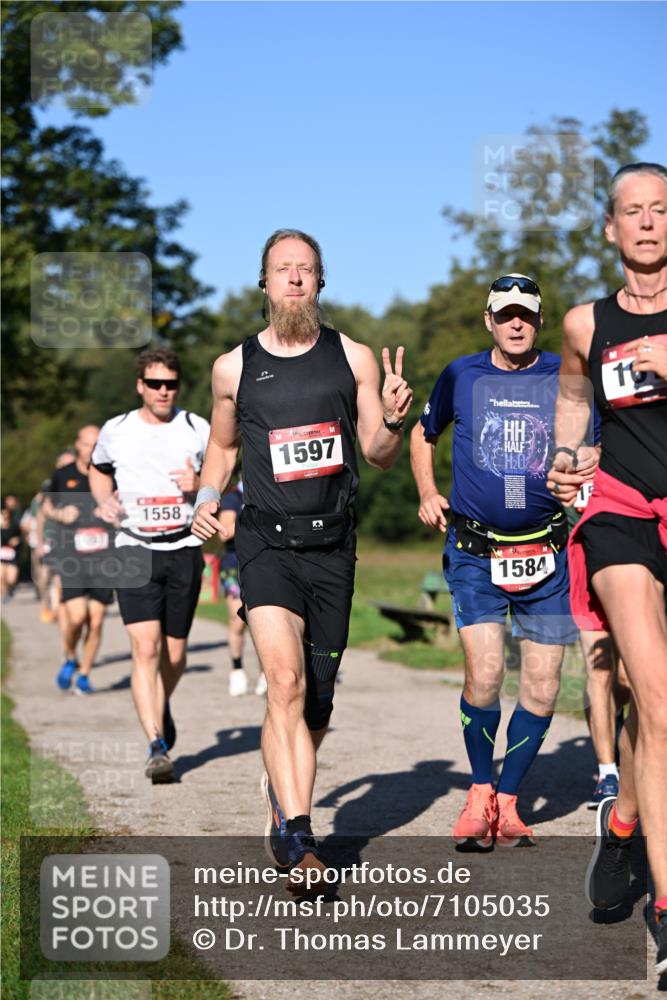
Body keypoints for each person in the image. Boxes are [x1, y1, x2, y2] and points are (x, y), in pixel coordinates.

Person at [192, 228, 412, 886]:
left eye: (306, 270)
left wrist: (395, 421)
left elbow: (376, 452)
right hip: (264, 541)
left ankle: (281, 783)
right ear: (262, 283)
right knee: (281, 684)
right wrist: (206, 495)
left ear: (320, 282)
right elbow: (224, 448)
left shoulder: (353, 357)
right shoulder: (233, 368)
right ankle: (299, 837)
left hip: (332, 545)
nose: (294, 279)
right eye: (282, 269)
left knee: (315, 704)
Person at [411, 274, 597, 848]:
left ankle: (510, 801)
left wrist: (586, 466)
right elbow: (425, 434)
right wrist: (425, 490)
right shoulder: (461, 374)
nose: (516, 322)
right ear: (489, 319)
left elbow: (597, 446)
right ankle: (479, 789)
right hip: (475, 550)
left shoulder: (567, 380)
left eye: (526, 314)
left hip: (547, 551)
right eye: (505, 313)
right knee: (487, 673)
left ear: (539, 322)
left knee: (543, 685)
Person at [547, 162, 667, 974]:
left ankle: (623, 819)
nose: (649, 223)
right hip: (619, 508)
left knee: (651, 714)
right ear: (609, 230)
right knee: (656, 695)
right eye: (633, 212)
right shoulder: (585, 324)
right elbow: (568, 395)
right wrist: (564, 456)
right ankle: (666, 908)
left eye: (661, 210)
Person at [90, 349, 210, 783]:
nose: (163, 391)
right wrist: (103, 500)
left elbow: (226, 475)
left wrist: (199, 486)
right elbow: (98, 469)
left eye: (171, 384)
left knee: (174, 654)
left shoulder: (197, 428)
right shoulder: (116, 430)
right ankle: (157, 744)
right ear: (140, 385)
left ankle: (160, 703)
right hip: (132, 547)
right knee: (146, 648)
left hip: (183, 547)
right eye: (155, 383)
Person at [42, 426, 114, 694]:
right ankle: (70, 655)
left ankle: (84, 673)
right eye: (87, 444)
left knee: (95, 621)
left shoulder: (111, 474)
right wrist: (61, 515)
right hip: (72, 557)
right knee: (76, 618)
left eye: (97, 444)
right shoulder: (64, 474)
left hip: (104, 559)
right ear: (78, 446)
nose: (92, 449)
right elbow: (47, 505)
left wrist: (112, 510)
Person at [218, 479, 264, 697]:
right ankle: (237, 670)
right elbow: (223, 533)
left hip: (264, 564)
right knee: (238, 620)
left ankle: (266, 672)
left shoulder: (271, 490)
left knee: (264, 622)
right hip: (234, 566)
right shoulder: (233, 497)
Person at [1, 498, 22, 599]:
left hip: (12, 556)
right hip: (1, 557)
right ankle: (3, 594)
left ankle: (10, 588)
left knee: (11, 578)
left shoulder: (14, 525)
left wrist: (17, 540)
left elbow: (22, 537)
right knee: (1, 575)